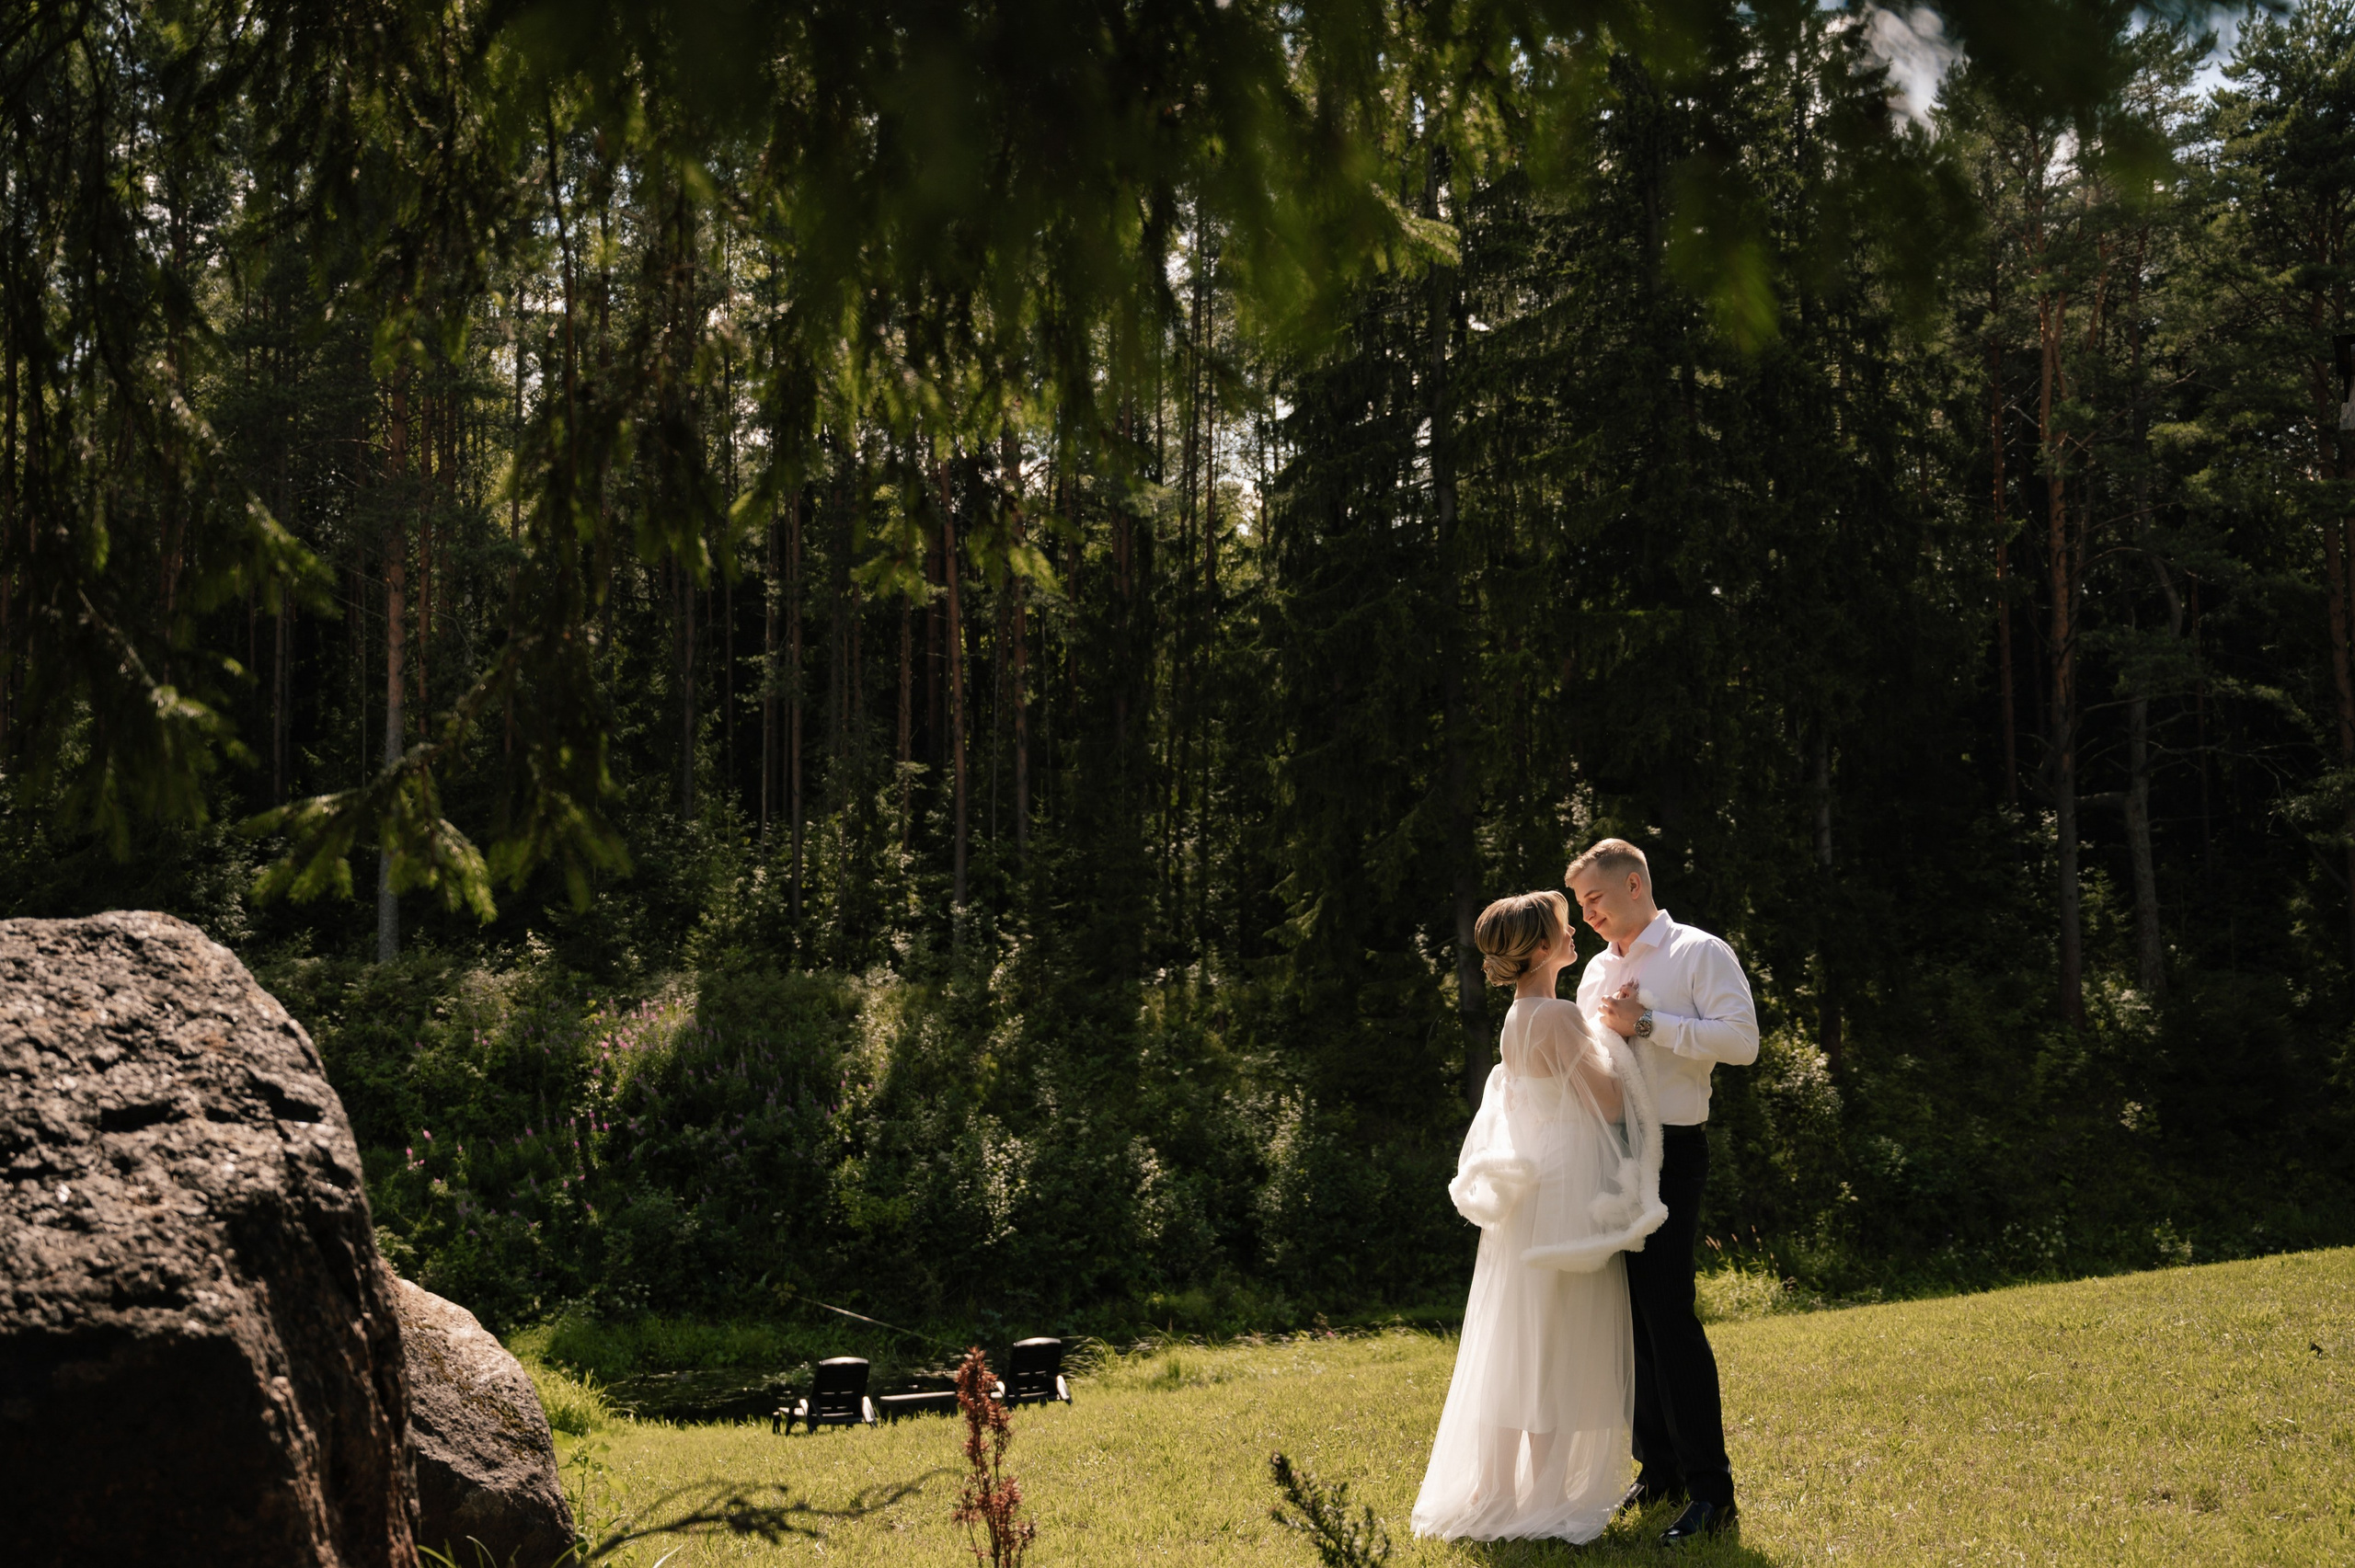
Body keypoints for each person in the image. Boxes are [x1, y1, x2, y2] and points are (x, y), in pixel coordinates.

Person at [1411, 890, 1669, 1544]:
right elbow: (1608, 1100)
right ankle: (1542, 1497)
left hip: (1534, 1182)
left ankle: (1500, 1489)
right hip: (1562, 1186)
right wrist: (1619, 1030)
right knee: (1552, 1344)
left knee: (1520, 1336)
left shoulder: (1517, 1017)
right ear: (1539, 947)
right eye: (1562, 926)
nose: (1572, 930)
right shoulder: (1556, 1016)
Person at [1567, 837, 1758, 1547]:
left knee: (1670, 1315)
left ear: (1636, 883)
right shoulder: (1593, 970)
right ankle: (1660, 1470)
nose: (1587, 913)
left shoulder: (1699, 953)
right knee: (1630, 1317)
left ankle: (1714, 1492)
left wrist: (1645, 1023)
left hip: (1673, 1150)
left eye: (1595, 897)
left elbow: (1742, 1042)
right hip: (1608, 1151)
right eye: (1581, 903)